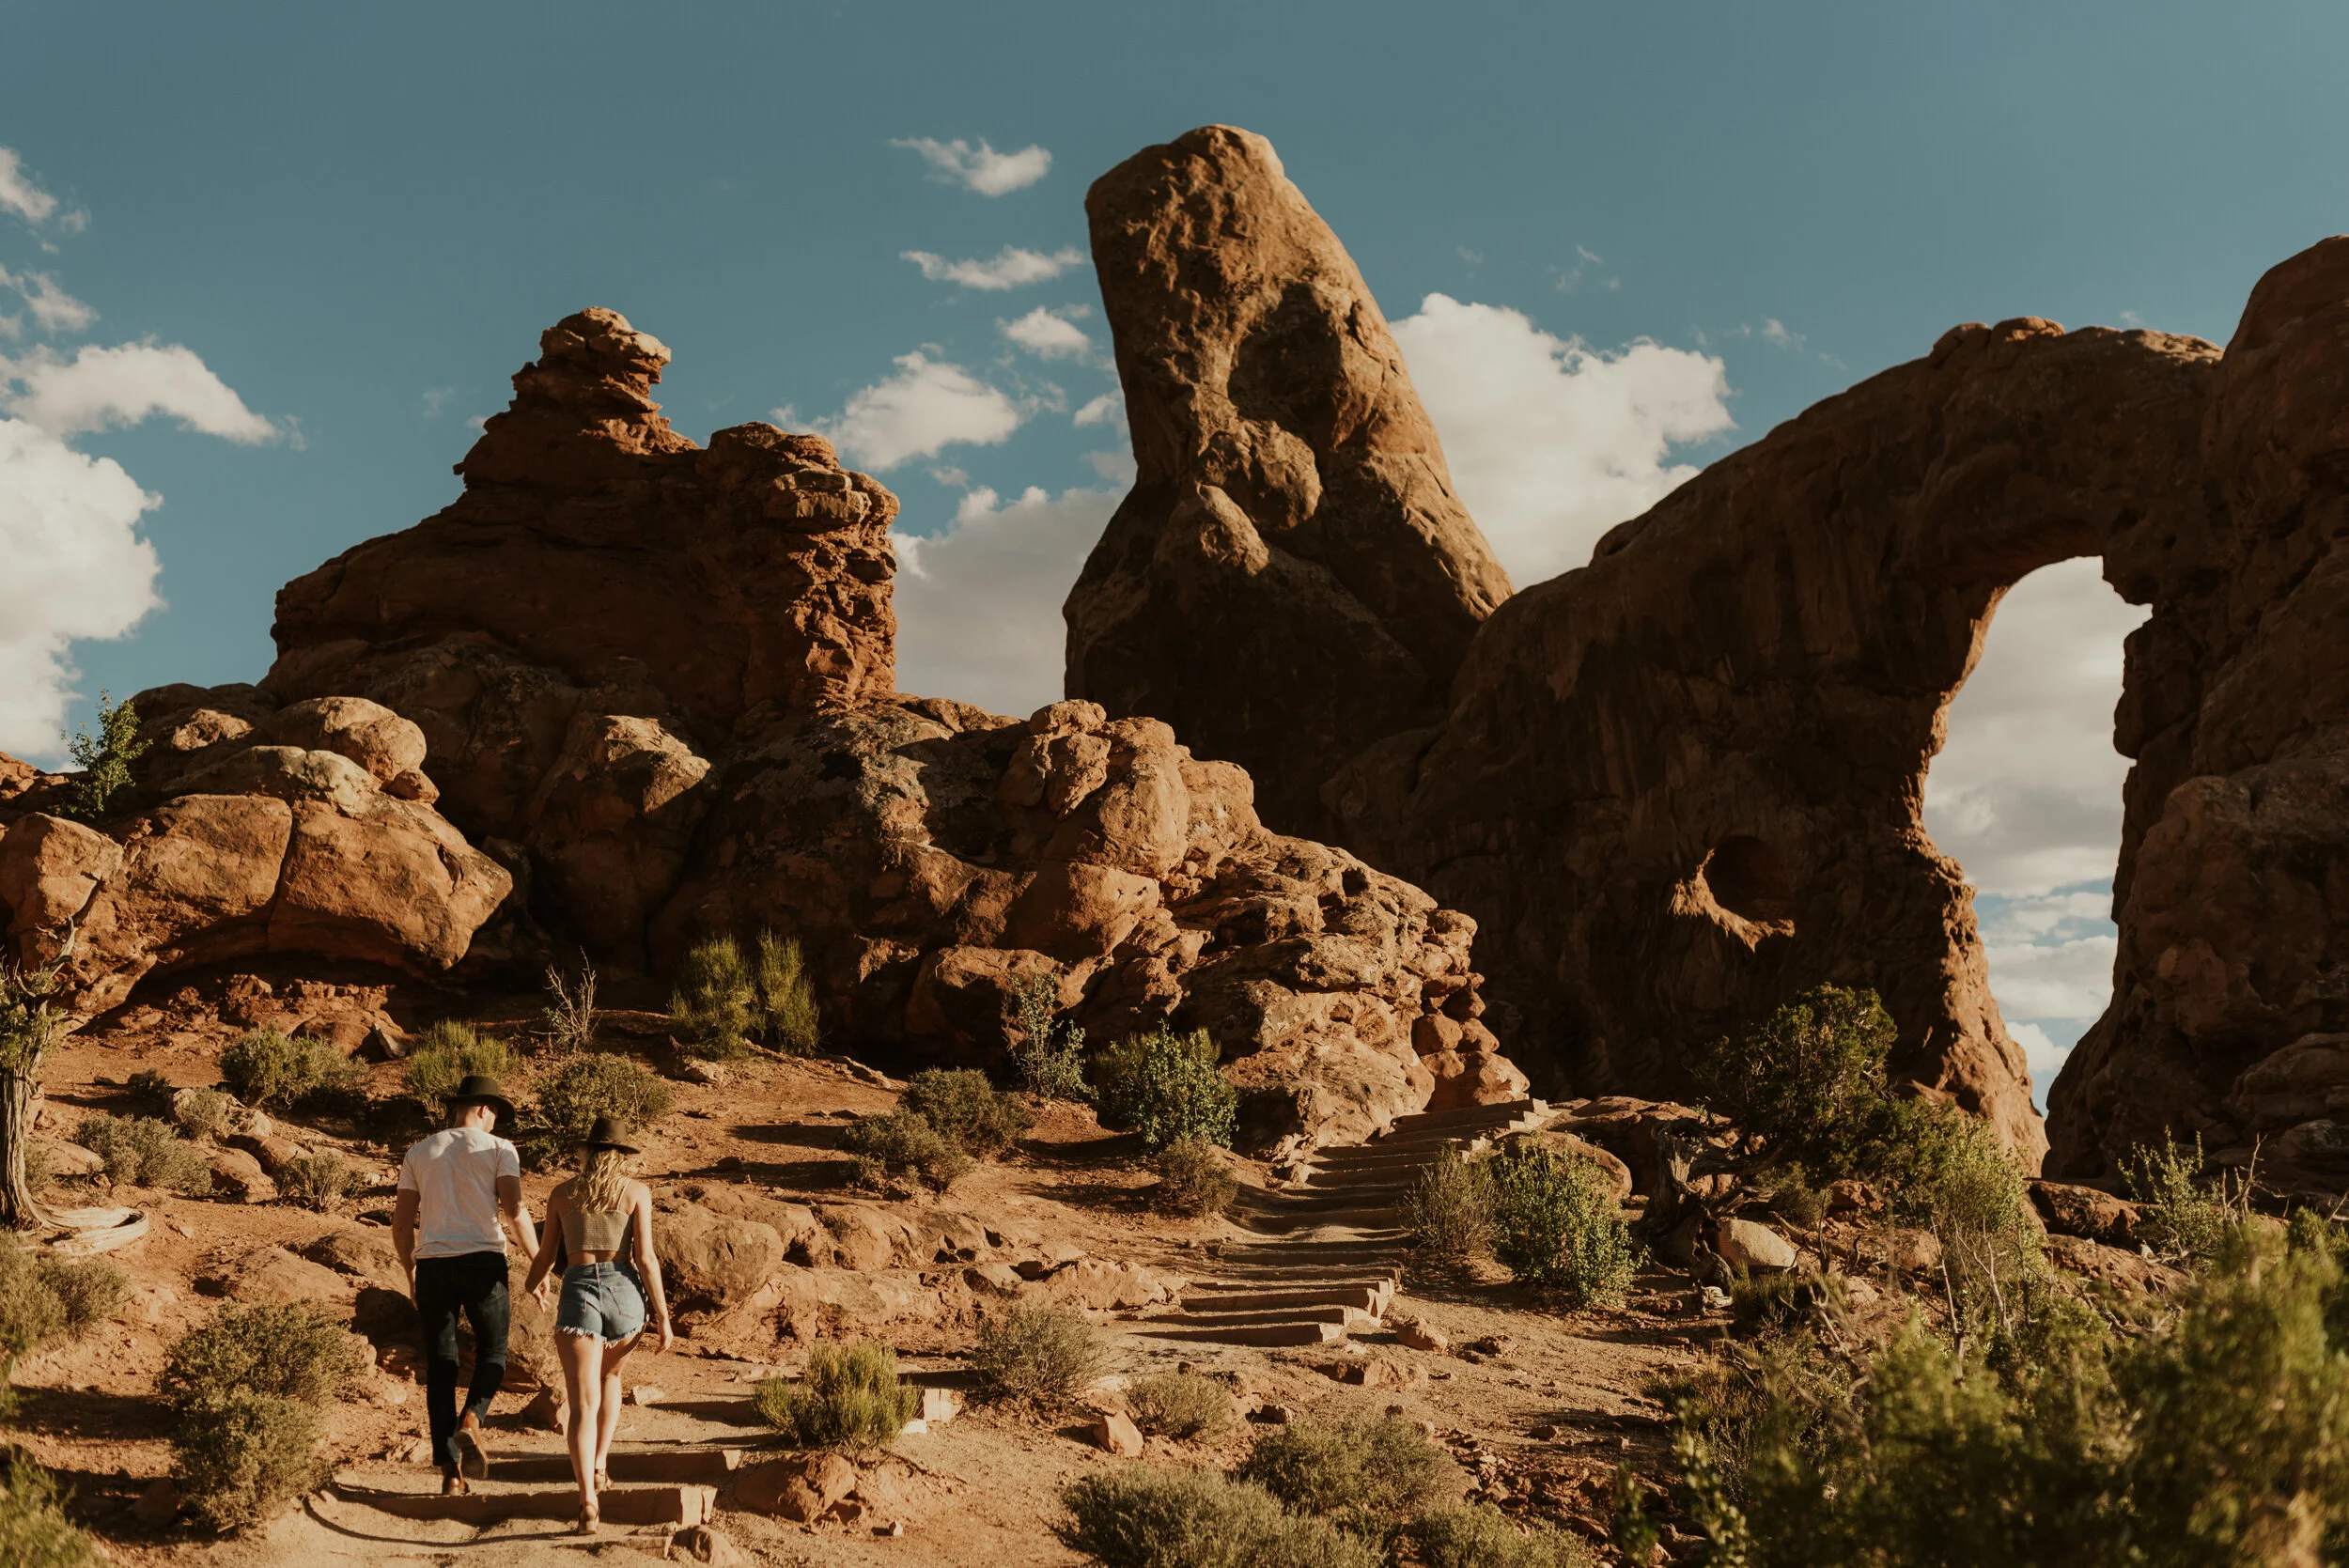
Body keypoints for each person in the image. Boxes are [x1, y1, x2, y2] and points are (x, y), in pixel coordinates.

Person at [521, 1115, 673, 1534]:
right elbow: (646, 1259)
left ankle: (588, 1496)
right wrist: (662, 1316)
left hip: (578, 1293)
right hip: (626, 1295)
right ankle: (603, 1463)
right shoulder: (637, 1192)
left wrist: (532, 1287)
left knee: (581, 1404)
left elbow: (547, 1256)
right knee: (612, 1376)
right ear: (621, 1155)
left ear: (585, 1151)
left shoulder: (561, 1193)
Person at [393, 1074, 541, 1497]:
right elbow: (515, 1210)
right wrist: (538, 1264)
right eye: (494, 1113)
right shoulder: (499, 1149)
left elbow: (402, 1224)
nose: (495, 1122)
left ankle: (451, 1476)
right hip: (482, 1262)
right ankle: (472, 1420)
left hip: (434, 1266)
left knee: (441, 1368)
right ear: (481, 1109)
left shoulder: (419, 1151)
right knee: (493, 1353)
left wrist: (409, 1272)